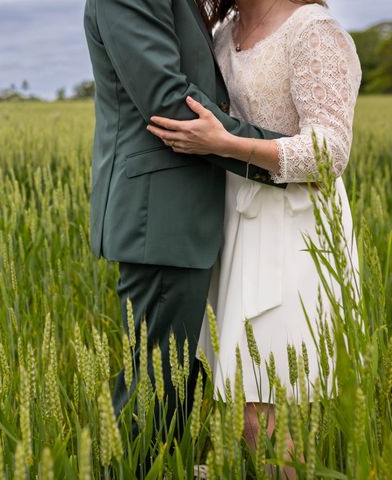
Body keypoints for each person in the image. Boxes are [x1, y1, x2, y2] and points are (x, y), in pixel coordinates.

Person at [146, 0, 361, 477]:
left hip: (296, 229)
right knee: (246, 398)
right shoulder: (224, 29)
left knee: (259, 405)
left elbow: (330, 151)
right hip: (237, 222)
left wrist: (226, 145)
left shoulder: (313, 31)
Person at [83, 0, 291, 456]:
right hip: (159, 217)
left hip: (187, 218)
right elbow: (167, 102)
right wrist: (286, 155)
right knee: (158, 390)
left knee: (177, 386)